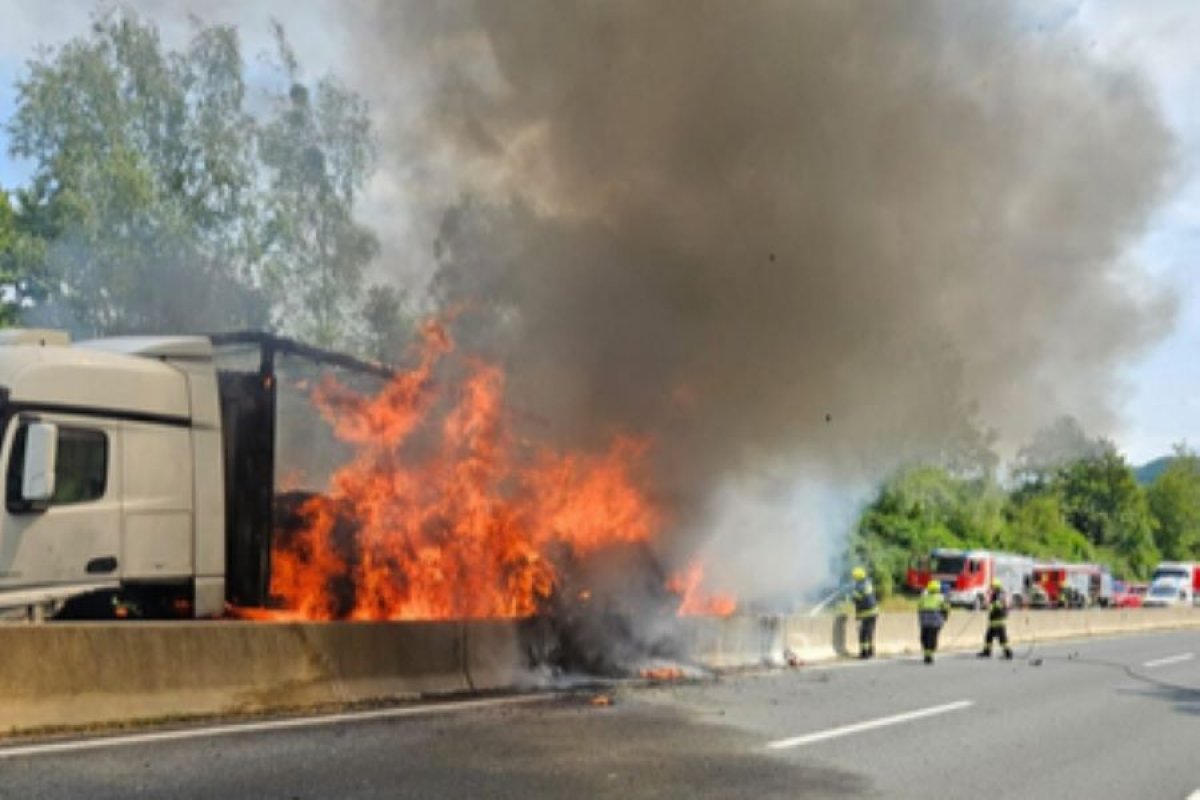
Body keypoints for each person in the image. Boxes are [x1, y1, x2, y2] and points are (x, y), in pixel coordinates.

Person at [977, 578, 1013, 660]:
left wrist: (989, 606)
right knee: (988, 637)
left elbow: (997, 605)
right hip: (993, 620)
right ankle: (987, 651)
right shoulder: (997, 594)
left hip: (998, 620)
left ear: (997, 587)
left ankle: (1008, 653)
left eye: (993, 587)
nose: (991, 588)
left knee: (1002, 639)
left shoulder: (999, 595)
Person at [918, 578, 950, 665]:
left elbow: (919, 608)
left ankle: (927, 655)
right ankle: (930, 655)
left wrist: (920, 619)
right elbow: (946, 609)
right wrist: (945, 618)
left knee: (924, 638)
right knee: (932, 638)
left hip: (924, 622)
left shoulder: (923, 597)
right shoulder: (941, 598)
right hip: (935, 622)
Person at [849, 566, 878, 659]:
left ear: (857, 577)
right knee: (869, 633)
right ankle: (870, 651)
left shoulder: (860, 586)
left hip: (866, 613)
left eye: (854, 577)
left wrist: (852, 595)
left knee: (863, 634)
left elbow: (856, 598)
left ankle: (864, 653)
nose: (853, 579)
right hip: (873, 612)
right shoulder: (867, 582)